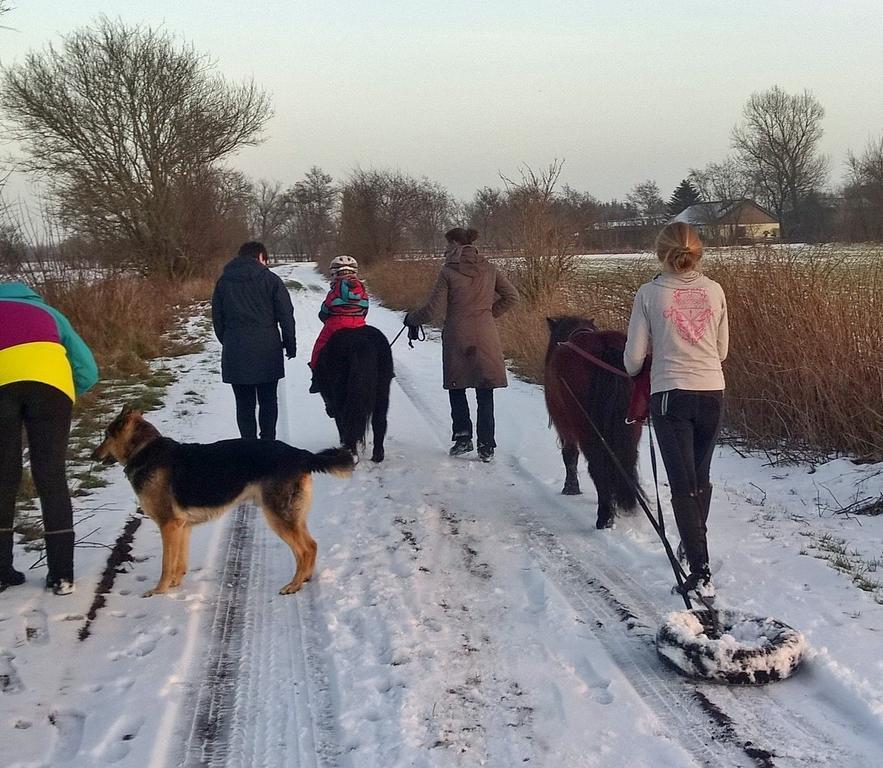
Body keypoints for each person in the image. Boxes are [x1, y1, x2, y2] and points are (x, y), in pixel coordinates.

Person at [624, 222, 728, 600]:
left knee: (682, 482)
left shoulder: (650, 293)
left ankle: (700, 571)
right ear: (699, 252)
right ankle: (693, 543)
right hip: (712, 390)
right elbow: (722, 351)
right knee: (701, 473)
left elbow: (634, 359)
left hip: (671, 394)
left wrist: (642, 365)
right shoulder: (715, 290)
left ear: (660, 253)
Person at [0, 282, 99, 595]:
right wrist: (69, 395)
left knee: (2, 477)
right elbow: (87, 369)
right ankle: (61, 576)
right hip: (51, 388)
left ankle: (2, 571)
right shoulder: (50, 314)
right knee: (51, 476)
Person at [405, 227, 519, 462]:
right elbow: (512, 297)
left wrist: (411, 319)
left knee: (457, 386)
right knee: (485, 390)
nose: (445, 248)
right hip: (486, 334)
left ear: (456, 243)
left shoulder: (449, 271)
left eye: (447, 244)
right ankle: (487, 446)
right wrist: (488, 314)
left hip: (458, 334)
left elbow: (431, 310)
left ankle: (463, 438)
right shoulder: (489, 268)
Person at [212, 241, 296, 440]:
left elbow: (217, 318)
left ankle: (248, 448)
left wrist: (230, 341)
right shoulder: (272, 280)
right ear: (260, 256)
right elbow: (286, 315)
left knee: (244, 403)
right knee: (268, 400)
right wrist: (290, 344)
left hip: (236, 350)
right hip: (267, 350)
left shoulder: (224, 282)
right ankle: (268, 445)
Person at [308, 254, 369, 392]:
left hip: (336, 325)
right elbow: (365, 309)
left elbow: (325, 311)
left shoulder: (334, 289)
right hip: (359, 325)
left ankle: (316, 377)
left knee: (319, 347)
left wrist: (327, 318)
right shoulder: (362, 289)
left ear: (334, 273)